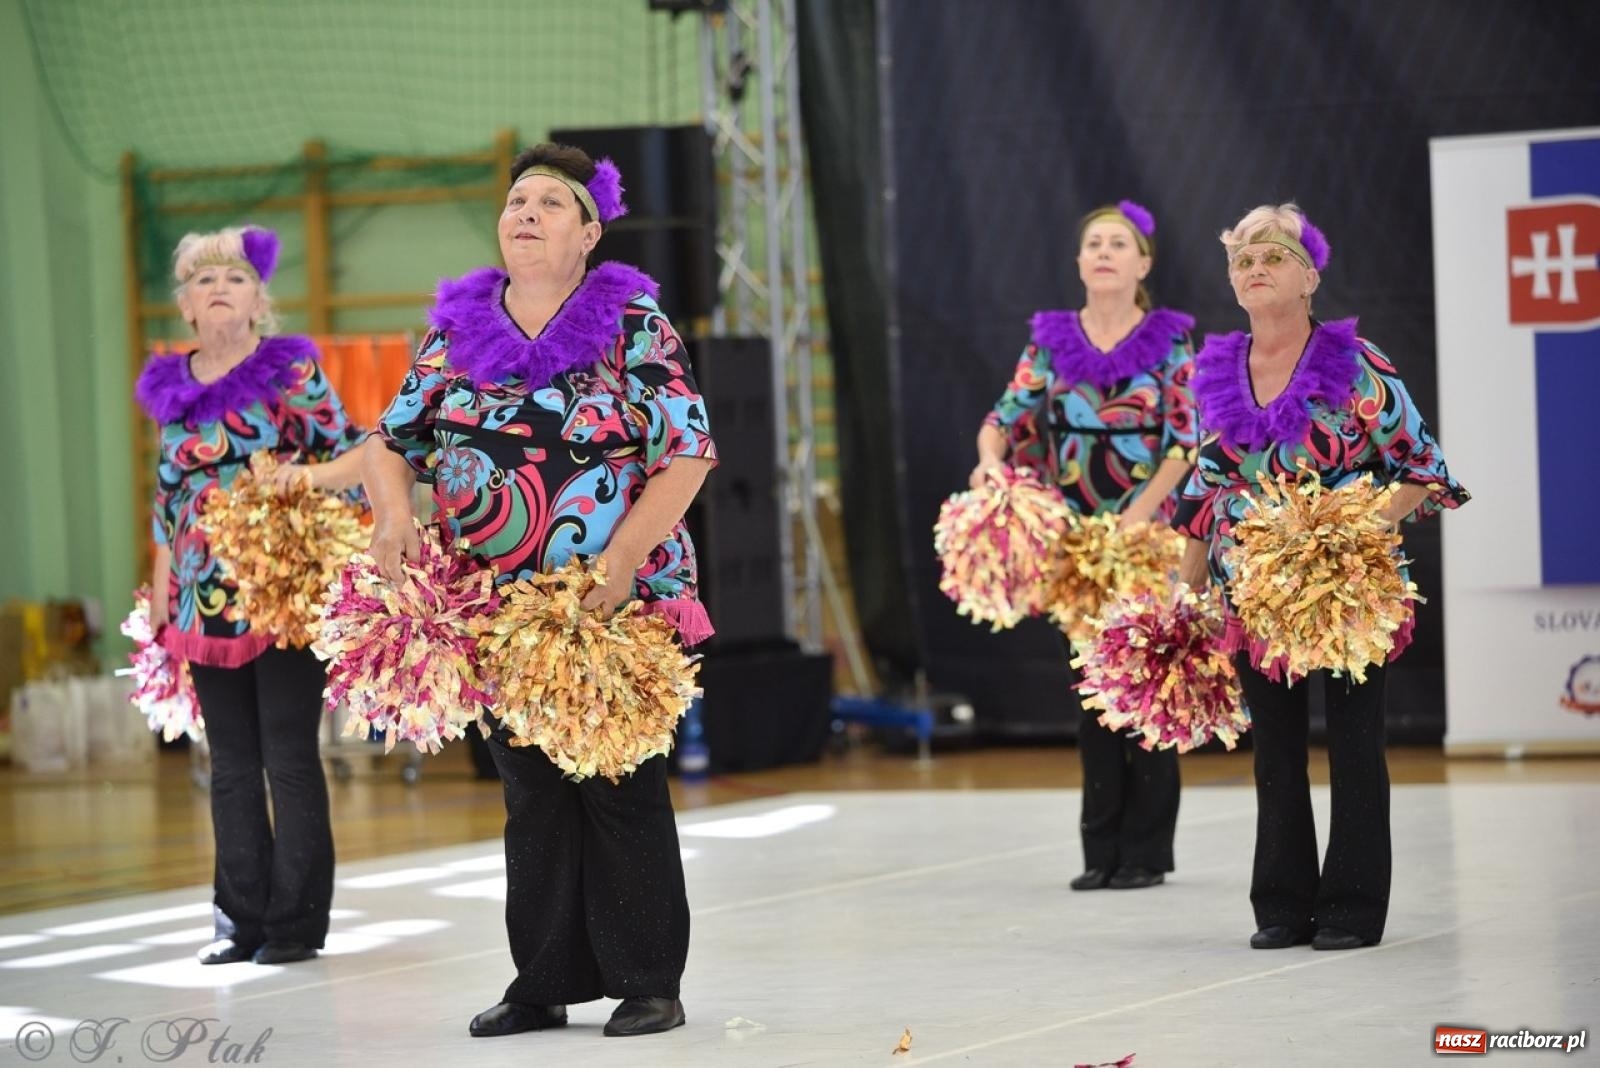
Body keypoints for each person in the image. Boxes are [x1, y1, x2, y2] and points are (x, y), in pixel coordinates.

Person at [364, 143, 717, 1039]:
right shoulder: (454, 331)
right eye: (516, 199)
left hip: (611, 600)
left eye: (550, 204)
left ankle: (648, 979)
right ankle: (544, 979)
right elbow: (390, 441)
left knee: (617, 783)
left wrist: (626, 557)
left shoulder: (635, 323)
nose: (525, 212)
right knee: (530, 791)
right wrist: (393, 516)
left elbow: (687, 451)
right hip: (498, 606)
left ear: (589, 233)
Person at [1176, 203, 1469, 951]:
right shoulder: (1214, 372)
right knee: (1273, 747)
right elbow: (1201, 496)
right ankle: (1280, 904)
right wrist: (1187, 597)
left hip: (1348, 594)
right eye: (1242, 261)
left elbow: (1421, 467)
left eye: (1272, 256)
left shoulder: (1357, 362)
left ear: (1309, 277)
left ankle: (1352, 906)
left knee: (1353, 740)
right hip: (1253, 592)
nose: (1255, 269)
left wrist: (1351, 536)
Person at [134, 225, 368, 966]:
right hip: (205, 599)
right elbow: (169, 498)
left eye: (234, 278)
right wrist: (166, 592)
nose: (220, 289)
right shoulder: (172, 388)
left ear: (259, 300)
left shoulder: (291, 372)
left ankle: (296, 923)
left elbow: (349, 455)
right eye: (204, 281)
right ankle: (238, 920)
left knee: (289, 756)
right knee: (230, 762)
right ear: (187, 309)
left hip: (284, 592)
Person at [973, 200, 1197, 892]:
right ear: (1079, 263)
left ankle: (1147, 851)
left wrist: (1138, 518)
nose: (1103, 252)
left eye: (1118, 243)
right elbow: (1002, 418)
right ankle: (1100, 851)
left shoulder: (1171, 342)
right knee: (1091, 687)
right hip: (1075, 538)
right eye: (1093, 243)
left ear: (1143, 264)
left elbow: (1185, 444)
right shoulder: (1049, 341)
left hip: (1147, 532)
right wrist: (989, 463)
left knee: (1144, 684)